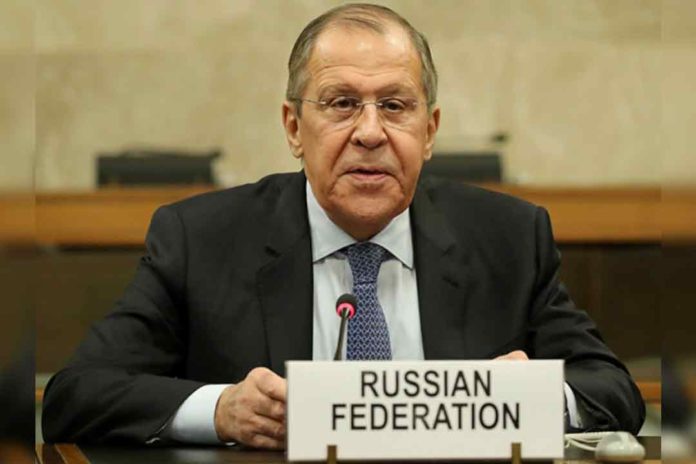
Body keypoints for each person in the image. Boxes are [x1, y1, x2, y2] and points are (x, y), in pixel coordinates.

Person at [42, 3, 645, 449]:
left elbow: (614, 391)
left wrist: (531, 397)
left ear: (429, 132)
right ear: (292, 127)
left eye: (395, 106)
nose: (370, 132)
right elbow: (76, 395)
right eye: (341, 103)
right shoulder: (200, 239)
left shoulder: (508, 238)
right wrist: (222, 410)